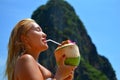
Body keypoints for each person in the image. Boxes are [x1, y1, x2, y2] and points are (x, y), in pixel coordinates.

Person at [5, 18, 76, 80]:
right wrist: (59, 75)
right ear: (25, 39)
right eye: (38, 30)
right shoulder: (25, 60)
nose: (45, 34)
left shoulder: (31, 63)